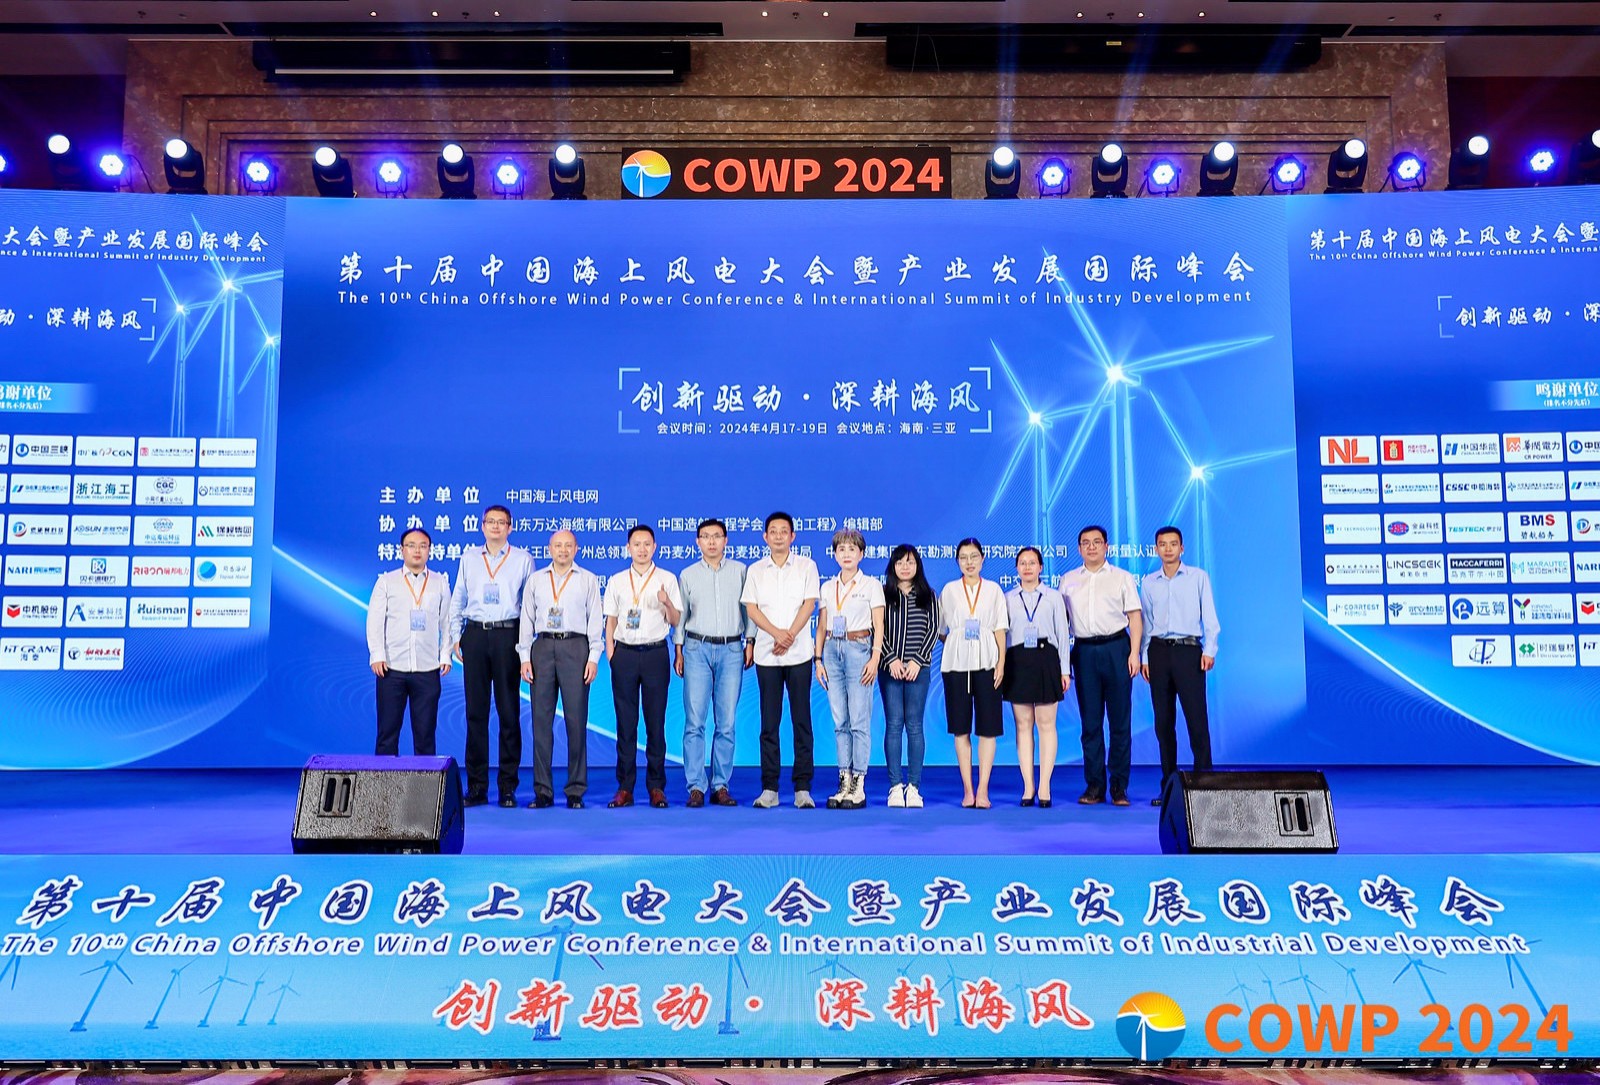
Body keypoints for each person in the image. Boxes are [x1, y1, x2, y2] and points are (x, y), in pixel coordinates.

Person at [447, 505, 533, 808]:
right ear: (482, 526)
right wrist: (455, 636)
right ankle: (477, 787)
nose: (496, 526)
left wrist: (525, 647)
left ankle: (508, 787)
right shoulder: (469, 558)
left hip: (508, 635)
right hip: (475, 634)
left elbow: (529, 607)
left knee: (509, 713)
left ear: (510, 527)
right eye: (490, 521)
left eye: (501, 522)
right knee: (476, 713)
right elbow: (458, 598)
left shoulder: (523, 559)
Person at [517, 529, 602, 809]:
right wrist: (525, 657)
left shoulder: (588, 579)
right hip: (542, 648)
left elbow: (595, 620)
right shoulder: (536, 580)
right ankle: (543, 790)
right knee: (541, 723)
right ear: (549, 549)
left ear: (576, 549)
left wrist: (593, 657)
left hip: (576, 647)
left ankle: (576, 789)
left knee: (576, 722)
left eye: (568, 545)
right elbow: (526, 620)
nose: (563, 550)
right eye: (557, 545)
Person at [741, 511, 820, 809]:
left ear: (792, 536)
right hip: (767, 654)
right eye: (772, 531)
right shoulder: (756, 570)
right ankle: (770, 788)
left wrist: (790, 636)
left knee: (802, 721)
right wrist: (777, 634)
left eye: (783, 531)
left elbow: (809, 605)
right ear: (765, 537)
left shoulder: (806, 566)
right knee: (769, 723)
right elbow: (752, 609)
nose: (778, 536)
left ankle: (802, 788)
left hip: (799, 654)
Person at [1060, 524, 1143, 806]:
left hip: (1117, 649)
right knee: (1090, 723)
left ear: (1107, 546)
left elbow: (1135, 617)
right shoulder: (1068, 580)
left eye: (1097, 542)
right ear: (1079, 548)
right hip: (1084, 652)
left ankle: (1119, 786)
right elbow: (1061, 624)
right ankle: (1095, 785)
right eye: (1086, 543)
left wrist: (1134, 653)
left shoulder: (1122, 577)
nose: (1091, 547)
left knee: (1120, 722)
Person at [675, 518, 754, 807]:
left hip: (732, 648)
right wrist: (679, 650)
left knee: (727, 722)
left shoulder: (741, 571)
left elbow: (749, 610)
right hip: (696, 647)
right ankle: (696, 786)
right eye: (705, 536)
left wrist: (750, 642)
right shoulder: (687, 574)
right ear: (697, 542)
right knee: (695, 721)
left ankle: (720, 785)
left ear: (726, 540)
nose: (711, 541)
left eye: (717, 536)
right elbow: (681, 615)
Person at [602, 524, 683, 808]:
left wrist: (667, 602)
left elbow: (675, 620)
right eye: (636, 544)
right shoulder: (617, 580)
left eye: (647, 544)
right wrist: (611, 654)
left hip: (655, 654)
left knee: (655, 723)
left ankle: (656, 787)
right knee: (626, 724)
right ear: (628, 548)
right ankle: (625, 787)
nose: (642, 549)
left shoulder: (667, 579)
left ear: (655, 546)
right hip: (624, 654)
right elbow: (610, 620)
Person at [1140, 525, 1220, 806]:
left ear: (1182, 548)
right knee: (1163, 724)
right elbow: (1146, 623)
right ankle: (1169, 786)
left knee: (1197, 720)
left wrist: (1210, 649)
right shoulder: (1149, 582)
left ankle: (1204, 785)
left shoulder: (1198, 577)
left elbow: (1210, 617)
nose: (1168, 549)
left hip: (1189, 652)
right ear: (1156, 549)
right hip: (1158, 653)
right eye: (1162, 544)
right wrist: (1144, 657)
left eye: (1173, 544)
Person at [815, 527, 885, 810]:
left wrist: (875, 657)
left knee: (859, 720)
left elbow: (879, 624)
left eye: (852, 549)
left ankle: (859, 783)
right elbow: (822, 625)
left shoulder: (871, 585)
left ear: (861, 554)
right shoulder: (827, 587)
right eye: (841, 549)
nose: (846, 554)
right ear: (834, 554)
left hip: (859, 649)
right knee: (840, 721)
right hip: (832, 650)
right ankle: (844, 780)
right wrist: (817, 659)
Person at [367, 527, 451, 758]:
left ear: (429, 550)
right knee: (387, 734)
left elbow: (447, 622)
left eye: (423, 546)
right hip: (391, 668)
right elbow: (375, 621)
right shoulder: (387, 582)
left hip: (427, 669)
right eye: (411, 545)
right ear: (401, 550)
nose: (417, 550)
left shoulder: (440, 583)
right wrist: (377, 655)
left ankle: (424, 782)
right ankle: (383, 781)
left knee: (425, 736)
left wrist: (445, 654)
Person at [937, 538, 1007, 809]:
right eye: (964, 557)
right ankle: (968, 789)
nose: (969, 562)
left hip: (988, 662)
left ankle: (983, 789)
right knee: (961, 728)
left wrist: (1001, 663)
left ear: (982, 559)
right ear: (957, 561)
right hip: (956, 665)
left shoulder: (993, 590)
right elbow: (941, 630)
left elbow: (1000, 629)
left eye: (974, 556)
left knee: (988, 729)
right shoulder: (949, 590)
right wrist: (958, 644)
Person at [1002, 546, 1071, 808]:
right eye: (1023, 563)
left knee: (1046, 724)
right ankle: (1028, 786)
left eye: (1032, 562)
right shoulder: (1008, 598)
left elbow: (1062, 634)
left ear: (1041, 567)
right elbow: (1002, 635)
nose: (1027, 567)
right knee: (1023, 725)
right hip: (1017, 661)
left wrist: (1065, 670)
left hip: (1046, 659)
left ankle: (1044, 786)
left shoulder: (1053, 597)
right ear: (1016, 568)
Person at [880, 544, 938, 809]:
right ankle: (895, 786)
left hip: (919, 670)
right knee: (894, 725)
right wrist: (891, 658)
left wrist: (917, 660)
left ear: (918, 566)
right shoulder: (883, 594)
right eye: (900, 562)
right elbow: (876, 629)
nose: (905, 567)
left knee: (914, 726)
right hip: (889, 669)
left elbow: (933, 630)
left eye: (910, 562)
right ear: (893, 566)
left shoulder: (928, 595)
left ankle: (914, 787)